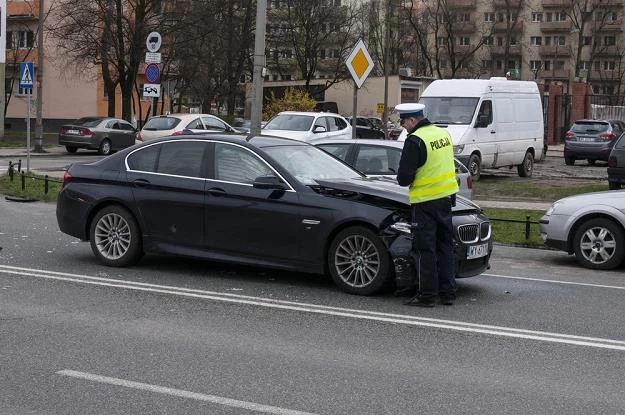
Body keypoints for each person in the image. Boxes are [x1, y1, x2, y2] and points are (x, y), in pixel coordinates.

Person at [395, 103, 459, 307]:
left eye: (404, 122)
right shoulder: (442, 134)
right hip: (446, 198)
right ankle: (448, 293)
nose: (403, 127)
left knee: (425, 250)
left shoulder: (415, 139)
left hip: (425, 202)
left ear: (412, 120)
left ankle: (427, 296)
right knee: (445, 247)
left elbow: (404, 178)